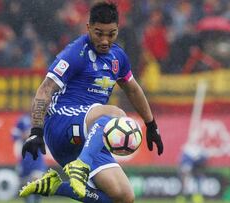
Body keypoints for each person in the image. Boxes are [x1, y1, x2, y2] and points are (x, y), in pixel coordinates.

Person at [19, 2, 164, 203]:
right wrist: (36, 131)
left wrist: (151, 125)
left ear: (117, 30)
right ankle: (82, 165)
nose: (105, 40)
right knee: (117, 114)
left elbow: (132, 89)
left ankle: (56, 186)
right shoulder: (75, 52)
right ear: (88, 28)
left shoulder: (118, 57)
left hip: (90, 135)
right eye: (99, 33)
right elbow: (45, 88)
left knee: (123, 197)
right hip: (62, 123)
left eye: (111, 34)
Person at [11, 114, 47, 203]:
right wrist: (25, 135)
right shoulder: (22, 120)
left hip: (37, 159)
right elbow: (14, 136)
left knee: (37, 182)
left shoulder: (43, 120)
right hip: (25, 159)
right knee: (25, 186)